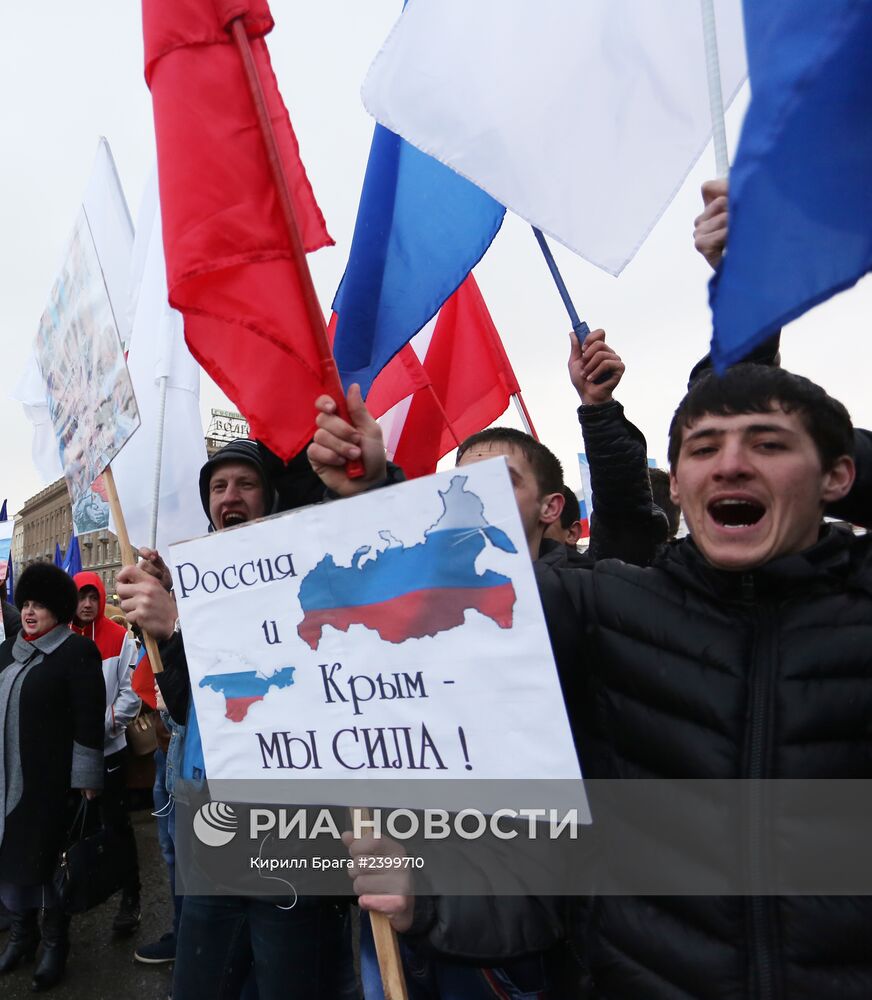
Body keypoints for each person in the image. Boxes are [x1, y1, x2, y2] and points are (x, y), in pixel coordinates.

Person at [309, 330, 666, 997]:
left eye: (498, 483)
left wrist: (598, 415)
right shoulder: (424, 610)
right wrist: (372, 488)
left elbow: (635, 543)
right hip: (438, 894)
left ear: (549, 507)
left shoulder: (588, 596)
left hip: (556, 910)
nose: (470, 495)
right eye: (458, 484)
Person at [534, 364, 872, 998]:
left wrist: (752, 322)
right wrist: (366, 490)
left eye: (768, 445)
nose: (731, 466)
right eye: (704, 448)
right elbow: (435, 618)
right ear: (680, 486)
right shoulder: (605, 608)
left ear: (839, 478)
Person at [117, 438, 360, 1000]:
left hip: (292, 833)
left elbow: (293, 685)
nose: (230, 496)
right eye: (219, 487)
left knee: (290, 983)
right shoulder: (198, 587)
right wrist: (170, 629)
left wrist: (178, 623)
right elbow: (184, 706)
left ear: (269, 497)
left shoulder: (305, 572)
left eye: (245, 484)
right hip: (215, 826)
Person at [0, 563, 105, 991]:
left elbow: (88, 721)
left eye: (39, 605)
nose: (29, 611)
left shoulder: (77, 653)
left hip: (52, 785)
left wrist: (86, 780)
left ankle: (54, 943)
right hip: (8, 781)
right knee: (11, 860)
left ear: (58, 609)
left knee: (50, 864)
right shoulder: (8, 650)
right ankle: (21, 936)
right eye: (25, 603)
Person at [70, 571, 142, 935]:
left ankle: (131, 898)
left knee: (116, 827)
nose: (87, 604)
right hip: (70, 756)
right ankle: (76, 892)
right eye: (81, 597)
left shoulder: (119, 638)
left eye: (92, 597)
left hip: (109, 750)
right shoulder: (61, 638)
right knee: (77, 829)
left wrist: (100, 727)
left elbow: (131, 694)